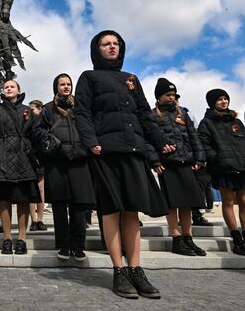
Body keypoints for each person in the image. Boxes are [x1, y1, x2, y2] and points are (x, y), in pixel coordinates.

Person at [75, 30, 173, 299]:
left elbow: (143, 113)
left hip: (133, 150)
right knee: (111, 211)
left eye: (116, 43)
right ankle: (119, 270)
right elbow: (81, 112)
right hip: (105, 152)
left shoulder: (131, 79)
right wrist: (91, 141)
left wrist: (159, 140)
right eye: (106, 44)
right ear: (97, 49)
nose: (112, 47)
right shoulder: (89, 77)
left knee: (132, 211)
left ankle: (136, 269)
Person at [198, 88, 245, 256]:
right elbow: (205, 146)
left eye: (225, 98)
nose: (224, 101)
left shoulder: (237, 122)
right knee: (228, 202)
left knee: (244, 201)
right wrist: (219, 159)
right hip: (224, 168)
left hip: (244, 167)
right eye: (219, 99)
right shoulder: (206, 123)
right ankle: (237, 240)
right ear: (212, 103)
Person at [35, 73, 95, 261]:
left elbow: (89, 129)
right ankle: (63, 245)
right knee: (59, 206)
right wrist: (57, 147)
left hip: (79, 161)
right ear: (56, 87)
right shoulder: (47, 109)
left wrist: (83, 149)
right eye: (62, 84)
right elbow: (39, 132)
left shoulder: (81, 107)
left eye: (69, 84)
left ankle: (78, 245)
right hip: (58, 162)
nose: (66, 87)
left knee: (78, 206)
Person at [147, 78, 207, 257]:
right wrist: (155, 162)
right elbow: (149, 142)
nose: (172, 98)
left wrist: (200, 159)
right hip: (168, 166)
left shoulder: (183, 115)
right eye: (168, 95)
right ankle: (176, 239)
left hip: (187, 163)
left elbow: (194, 137)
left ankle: (188, 238)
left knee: (188, 204)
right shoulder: (152, 116)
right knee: (172, 204)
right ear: (159, 97)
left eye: (174, 95)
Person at [0, 80, 41, 254]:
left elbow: (36, 134)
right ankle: (7, 238)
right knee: (4, 199)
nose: (8, 89)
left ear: (19, 91)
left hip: (23, 157)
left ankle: (22, 238)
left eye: (12, 87)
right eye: (6, 87)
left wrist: (35, 153)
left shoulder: (27, 111)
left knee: (23, 200)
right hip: (2, 156)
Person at [28, 99, 47, 232]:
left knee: (41, 189)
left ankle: (40, 219)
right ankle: (33, 220)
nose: (30, 111)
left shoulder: (44, 122)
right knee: (31, 190)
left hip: (41, 157)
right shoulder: (28, 122)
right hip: (29, 157)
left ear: (39, 109)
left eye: (33, 108)